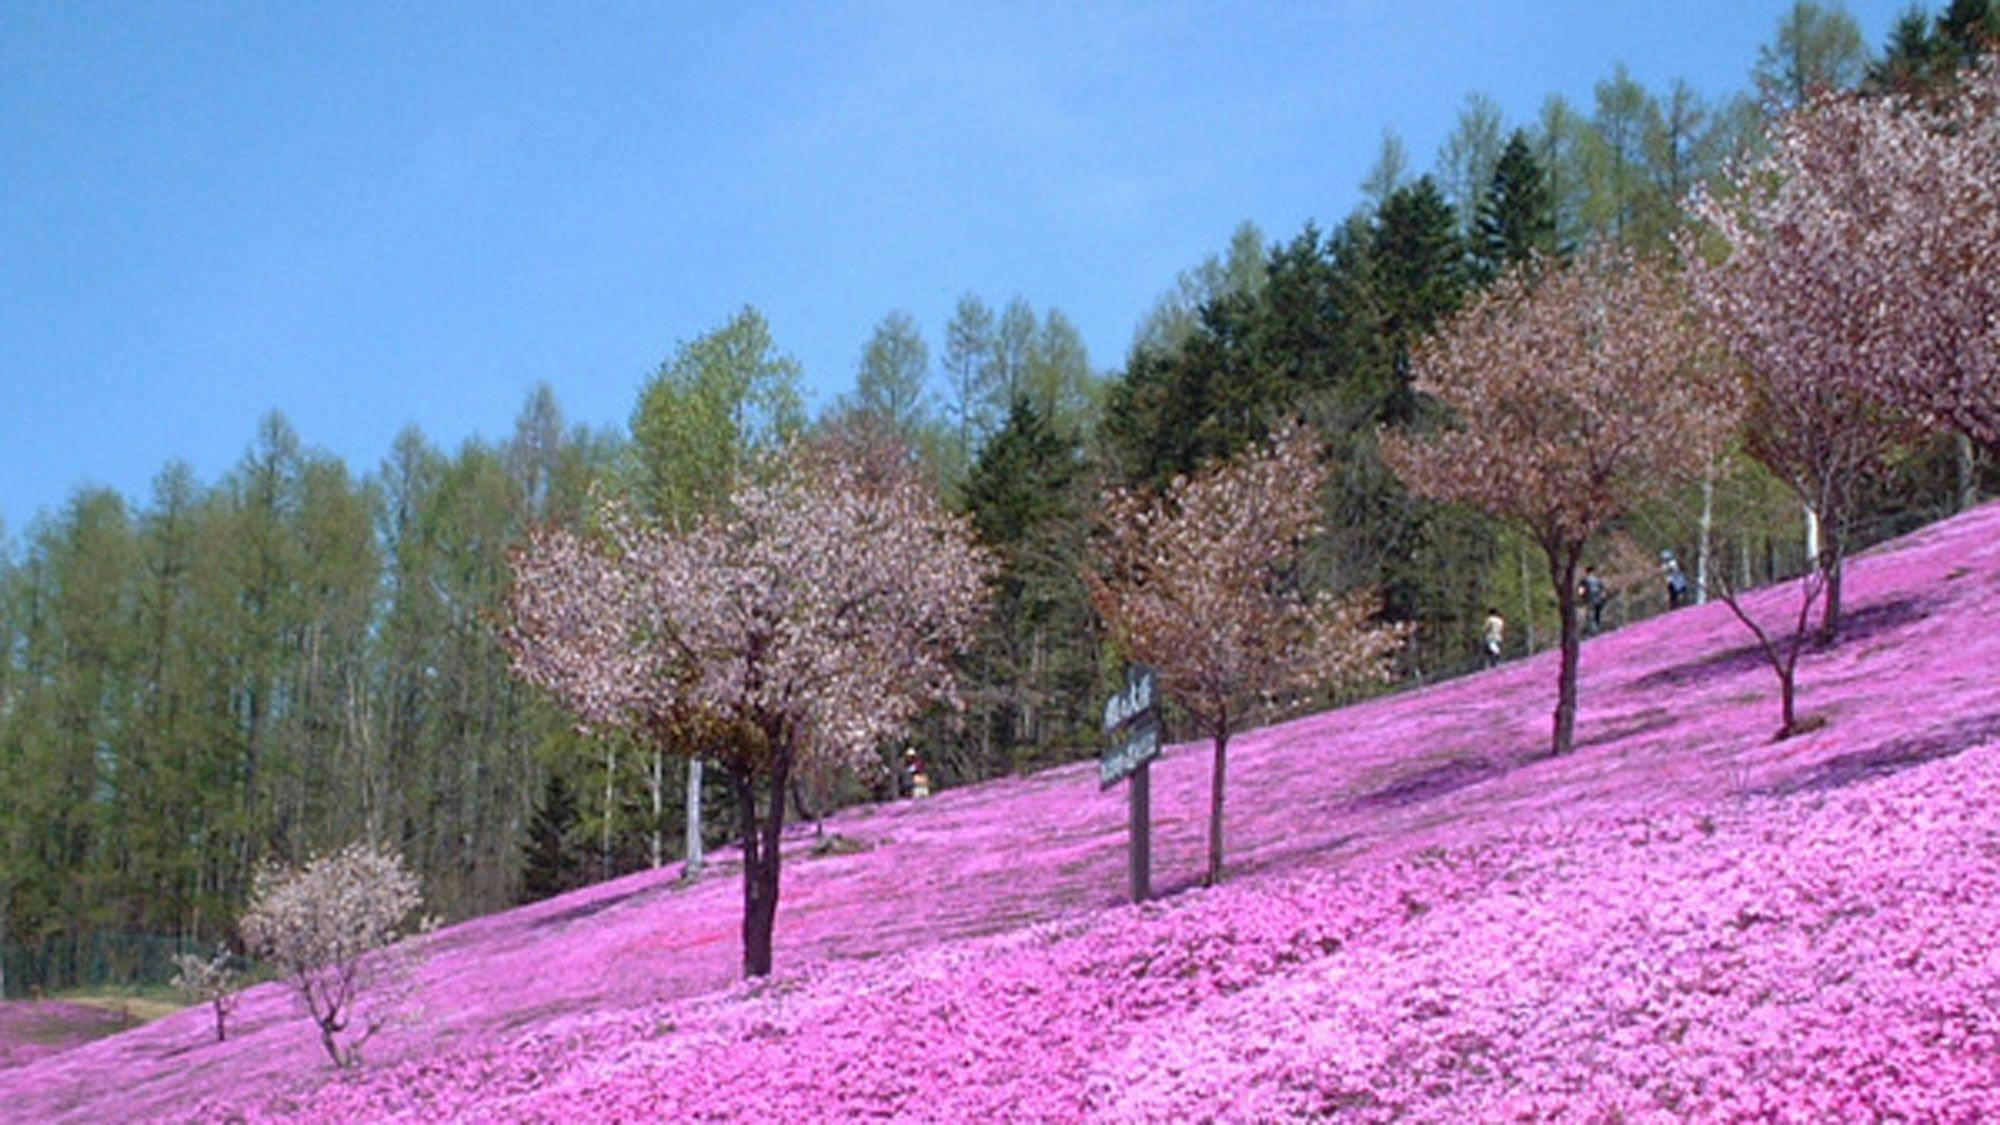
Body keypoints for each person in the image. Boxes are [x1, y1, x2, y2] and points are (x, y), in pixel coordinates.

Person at [1578, 566, 1609, 634]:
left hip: (1589, 600)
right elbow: (1603, 591)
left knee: (1591, 615)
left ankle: (1594, 630)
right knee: (1597, 614)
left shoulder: (1583, 581)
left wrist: (1582, 598)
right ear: (1593, 572)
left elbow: (1581, 592)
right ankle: (1597, 628)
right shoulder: (1598, 580)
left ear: (1586, 573)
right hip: (1598, 600)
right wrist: (1604, 598)